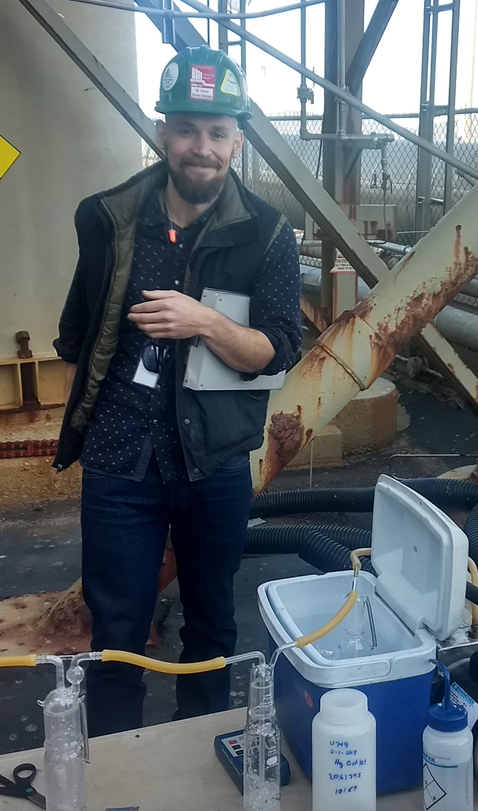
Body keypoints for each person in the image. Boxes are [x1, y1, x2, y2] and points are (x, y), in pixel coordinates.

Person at [52, 45, 303, 736]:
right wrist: (84, 440)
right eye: (188, 129)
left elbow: (279, 347)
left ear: (237, 142)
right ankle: (121, 773)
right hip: (120, 462)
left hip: (213, 463)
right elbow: (76, 338)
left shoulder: (269, 235)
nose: (202, 148)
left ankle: (197, 762)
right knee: (118, 634)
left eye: (218, 133)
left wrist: (205, 322)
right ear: (162, 133)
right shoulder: (108, 221)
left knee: (211, 627)